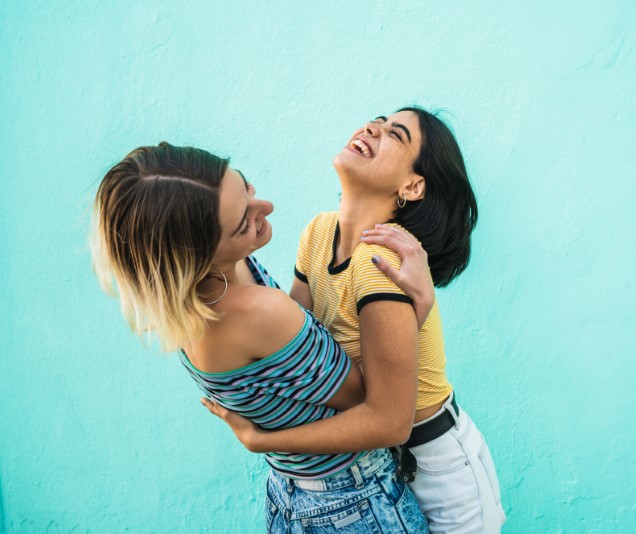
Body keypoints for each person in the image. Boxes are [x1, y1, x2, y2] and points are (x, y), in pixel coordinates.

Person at [90, 142, 431, 532]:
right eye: (243, 223)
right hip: (352, 503)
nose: (264, 208)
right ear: (197, 258)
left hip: (291, 494)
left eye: (247, 187)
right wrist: (417, 305)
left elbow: (299, 359)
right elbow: (375, 407)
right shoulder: (256, 311)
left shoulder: (204, 288)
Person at [204, 107, 506, 533]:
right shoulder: (318, 233)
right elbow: (304, 350)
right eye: (377, 121)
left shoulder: (382, 260)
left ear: (412, 185)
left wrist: (265, 442)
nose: (372, 129)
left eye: (394, 135)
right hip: (378, 460)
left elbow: (388, 420)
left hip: (439, 465)